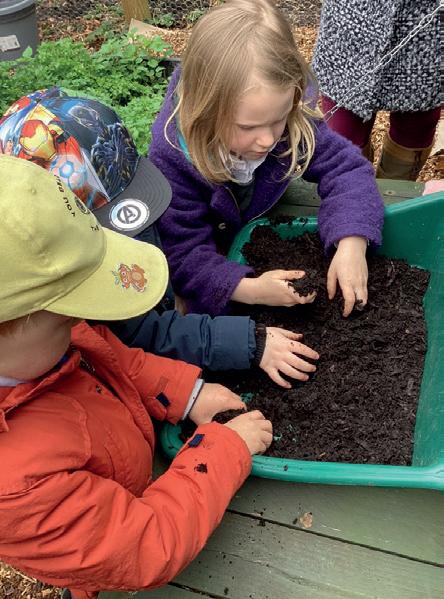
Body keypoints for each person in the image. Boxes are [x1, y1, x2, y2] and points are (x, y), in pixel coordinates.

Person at [0, 155, 273, 599]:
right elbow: (146, 547)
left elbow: (116, 360)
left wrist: (187, 394)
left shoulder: (39, 345)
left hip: (144, 469)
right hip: (114, 563)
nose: (80, 323)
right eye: (67, 318)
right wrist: (225, 448)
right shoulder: (15, 487)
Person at [0, 88, 319, 388]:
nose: (135, 229)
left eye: (132, 204)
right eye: (111, 226)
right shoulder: (59, 298)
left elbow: (169, 266)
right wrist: (248, 342)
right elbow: (145, 332)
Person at [149, 0, 384, 319]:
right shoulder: (172, 156)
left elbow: (346, 169)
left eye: (278, 120)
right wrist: (250, 290)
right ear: (203, 111)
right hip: (212, 269)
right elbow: (183, 255)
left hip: (260, 232)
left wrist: (352, 241)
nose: (268, 139)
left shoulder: (282, 112)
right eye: (248, 127)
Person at [312, 0, 441, 180]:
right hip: (352, 15)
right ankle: (353, 189)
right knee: (344, 132)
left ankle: (396, 193)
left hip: (430, 21)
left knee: (416, 124)